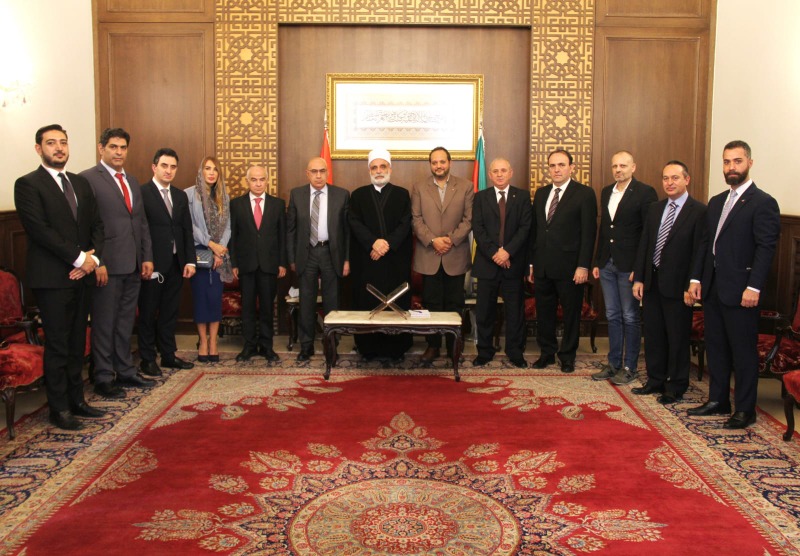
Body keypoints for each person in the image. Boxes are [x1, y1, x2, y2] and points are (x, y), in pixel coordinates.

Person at [14, 124, 105, 430]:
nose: (59, 148)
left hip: (83, 276)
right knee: (58, 344)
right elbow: (40, 231)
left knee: (78, 341)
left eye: (63, 142)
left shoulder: (80, 183)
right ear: (38, 148)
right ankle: (59, 408)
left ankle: (77, 401)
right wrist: (80, 258)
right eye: (51, 143)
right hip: (52, 279)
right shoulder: (28, 184)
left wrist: (93, 260)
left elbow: (97, 225)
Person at [687, 140, 780, 429]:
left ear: (750, 163)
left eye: (737, 161)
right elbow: (706, 245)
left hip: (742, 292)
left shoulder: (763, 202)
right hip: (713, 288)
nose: (731, 167)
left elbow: (765, 248)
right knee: (716, 347)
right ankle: (718, 400)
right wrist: (696, 279)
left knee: (742, 352)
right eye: (727, 162)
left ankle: (744, 409)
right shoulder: (717, 202)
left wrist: (754, 287)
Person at [80, 128, 154, 399]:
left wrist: (146, 256)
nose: (119, 152)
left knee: (124, 322)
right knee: (104, 323)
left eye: (123, 147)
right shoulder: (87, 179)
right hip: (106, 265)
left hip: (133, 263)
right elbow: (85, 225)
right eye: (113, 147)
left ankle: (125, 370)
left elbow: (140, 222)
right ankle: (102, 376)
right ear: (102, 149)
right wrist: (96, 260)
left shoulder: (132, 180)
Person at [631, 161, 706, 404]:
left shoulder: (699, 211)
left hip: (679, 286)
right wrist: (639, 277)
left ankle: (675, 386)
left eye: (675, 178)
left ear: (687, 180)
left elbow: (699, 252)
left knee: (677, 338)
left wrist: (691, 284)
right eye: (665, 178)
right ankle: (655, 380)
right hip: (652, 282)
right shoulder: (655, 208)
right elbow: (645, 244)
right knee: (653, 335)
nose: (669, 183)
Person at [528, 149, 597, 373]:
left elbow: (589, 233)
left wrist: (583, 265)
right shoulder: (541, 193)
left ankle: (567, 356)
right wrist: (532, 264)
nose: (556, 169)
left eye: (561, 165)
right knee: (544, 313)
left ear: (571, 167)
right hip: (543, 266)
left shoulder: (584, 194)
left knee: (571, 314)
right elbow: (536, 231)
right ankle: (547, 353)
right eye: (552, 165)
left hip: (571, 268)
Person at [591, 151, 657, 384]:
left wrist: (640, 268)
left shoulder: (645, 192)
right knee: (612, 315)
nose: (618, 170)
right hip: (607, 263)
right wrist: (598, 261)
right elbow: (604, 228)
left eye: (623, 166)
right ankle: (613, 364)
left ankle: (630, 366)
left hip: (629, 265)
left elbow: (648, 233)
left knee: (630, 316)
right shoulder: (606, 191)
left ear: (633, 167)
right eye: (615, 166)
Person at [411, 147, 474, 366]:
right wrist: (433, 240)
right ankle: (433, 345)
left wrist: (449, 240)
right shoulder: (419, 187)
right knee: (431, 303)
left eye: (442, 162)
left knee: (455, 303)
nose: (438, 166)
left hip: (455, 254)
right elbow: (416, 219)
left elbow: (468, 219)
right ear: (430, 164)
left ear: (450, 163)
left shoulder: (465, 186)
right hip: (429, 254)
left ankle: (454, 345)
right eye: (434, 162)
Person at [349, 149, 413, 362]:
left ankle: (397, 349)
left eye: (382, 166)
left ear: (390, 169)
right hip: (368, 260)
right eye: (374, 167)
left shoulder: (402, 194)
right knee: (368, 302)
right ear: (369, 170)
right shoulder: (358, 195)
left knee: (397, 303)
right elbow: (354, 222)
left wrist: (387, 244)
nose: (378, 171)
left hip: (395, 261)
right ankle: (367, 348)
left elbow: (406, 223)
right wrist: (373, 242)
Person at [138, 149, 196, 373]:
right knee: (148, 312)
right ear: (154, 167)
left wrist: (190, 261)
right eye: (164, 166)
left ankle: (168, 355)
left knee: (170, 312)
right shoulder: (142, 193)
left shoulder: (180, 196)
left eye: (173, 167)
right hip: (152, 264)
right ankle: (147, 359)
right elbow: (140, 230)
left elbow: (186, 230)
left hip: (176, 263)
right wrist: (146, 259)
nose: (168, 170)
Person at [287, 157, 350, 362]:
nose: (318, 175)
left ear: (327, 172)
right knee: (306, 302)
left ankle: (331, 346)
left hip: (331, 253)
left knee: (332, 301)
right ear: (307, 174)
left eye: (322, 171)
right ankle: (306, 346)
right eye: (314, 171)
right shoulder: (297, 194)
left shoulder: (341, 195)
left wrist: (346, 259)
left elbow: (347, 232)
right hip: (307, 254)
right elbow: (291, 230)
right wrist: (292, 258)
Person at [471, 158, 530, 368]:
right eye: (495, 171)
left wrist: (507, 252)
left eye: (503, 170)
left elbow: (525, 228)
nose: (499, 174)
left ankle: (515, 353)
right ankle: (484, 352)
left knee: (515, 312)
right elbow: (478, 228)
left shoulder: (522, 196)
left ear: (510, 172)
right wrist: (495, 253)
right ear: (489, 174)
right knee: (485, 312)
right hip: (487, 263)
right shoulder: (480, 197)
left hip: (513, 263)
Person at [229, 165, 287, 362]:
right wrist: (234, 263)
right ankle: (249, 346)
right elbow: (233, 237)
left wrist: (282, 263)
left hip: (269, 265)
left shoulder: (278, 204)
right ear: (247, 181)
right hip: (246, 265)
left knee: (267, 308)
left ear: (267, 180)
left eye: (262, 179)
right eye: (254, 180)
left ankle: (267, 346)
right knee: (247, 308)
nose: (258, 183)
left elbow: (282, 237)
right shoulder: (236, 204)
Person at [186, 156, 233, 363]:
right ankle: (203, 341)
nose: (211, 172)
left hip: (219, 257)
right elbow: (190, 226)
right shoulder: (190, 194)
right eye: (207, 168)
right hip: (199, 254)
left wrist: (220, 250)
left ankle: (213, 342)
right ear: (201, 171)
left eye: (215, 169)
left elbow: (228, 226)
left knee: (214, 300)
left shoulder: (224, 196)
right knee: (200, 300)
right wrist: (211, 244)